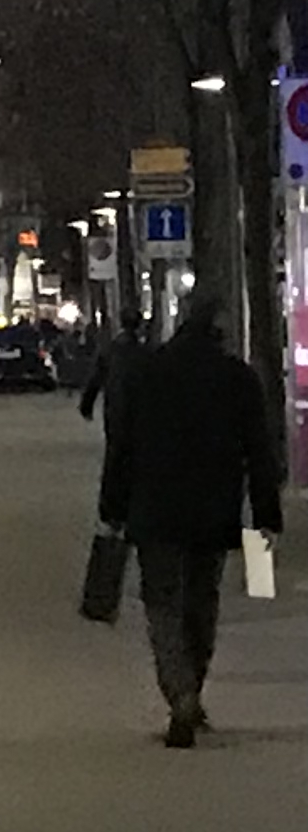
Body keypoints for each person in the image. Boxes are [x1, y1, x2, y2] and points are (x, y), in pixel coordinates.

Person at [95, 299, 282, 747]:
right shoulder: (238, 378)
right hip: (212, 512)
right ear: (219, 332)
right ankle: (191, 688)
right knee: (202, 603)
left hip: (153, 511)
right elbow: (259, 454)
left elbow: (121, 446)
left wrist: (112, 508)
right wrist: (266, 518)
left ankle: (178, 692)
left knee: (162, 606)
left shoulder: (147, 374)